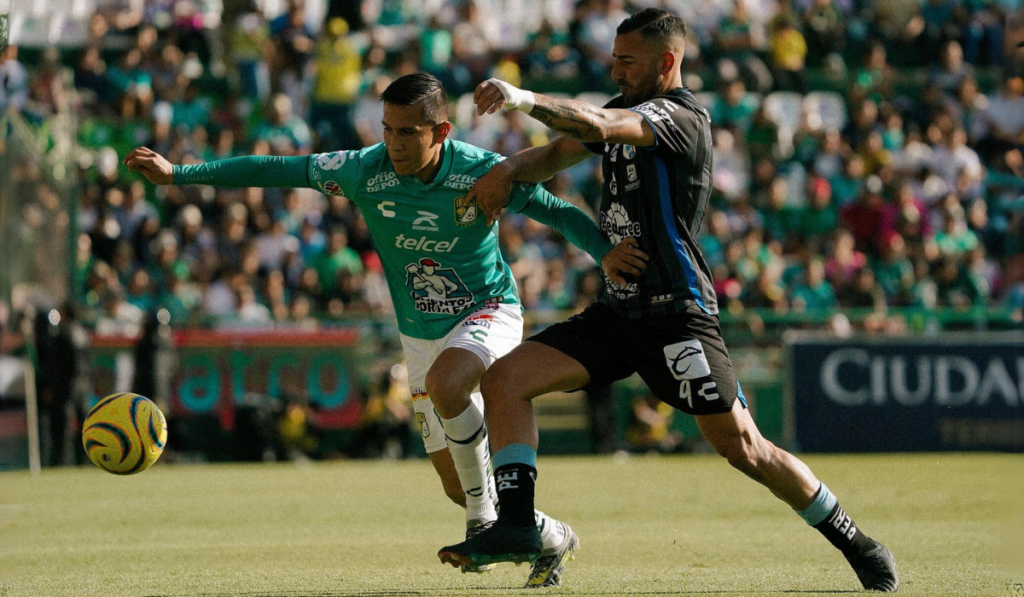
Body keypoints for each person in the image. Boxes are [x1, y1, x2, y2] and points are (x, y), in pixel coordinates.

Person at [437, 9, 899, 593]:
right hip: (619, 311)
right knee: (505, 381)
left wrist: (520, 97)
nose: (615, 69)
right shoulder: (625, 108)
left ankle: (857, 543)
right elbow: (559, 154)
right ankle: (519, 525)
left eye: (627, 61)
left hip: (676, 313)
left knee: (746, 449)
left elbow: (599, 127)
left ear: (667, 62)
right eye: (614, 58)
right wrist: (506, 172)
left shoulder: (681, 117)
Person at [124, 72, 642, 588]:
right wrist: (181, 174)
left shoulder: (481, 172)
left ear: (440, 133)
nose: (393, 143)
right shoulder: (363, 170)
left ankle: (484, 522)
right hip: (419, 335)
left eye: (407, 132)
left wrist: (605, 253)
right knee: (455, 484)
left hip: (488, 311)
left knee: (449, 388)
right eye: (387, 129)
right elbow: (278, 168)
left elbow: (556, 211)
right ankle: (551, 535)